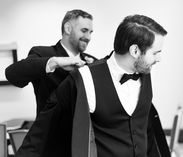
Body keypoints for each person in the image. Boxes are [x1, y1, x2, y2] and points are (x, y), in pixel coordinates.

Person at [16, 14, 170, 157]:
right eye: (155, 52)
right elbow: (44, 128)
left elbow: (147, 127)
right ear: (135, 50)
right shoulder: (85, 78)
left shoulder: (147, 71)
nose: (159, 58)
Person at [5, 9, 97, 114]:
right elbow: (12, 75)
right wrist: (55, 62)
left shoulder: (93, 62)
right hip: (52, 129)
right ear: (68, 28)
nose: (88, 37)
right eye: (84, 31)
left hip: (86, 129)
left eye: (90, 32)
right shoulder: (42, 54)